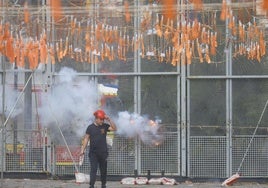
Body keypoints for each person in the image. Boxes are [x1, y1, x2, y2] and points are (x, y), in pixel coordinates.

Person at [80, 110, 117, 188]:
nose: (102, 121)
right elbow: (86, 139)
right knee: (93, 169)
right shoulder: (90, 127)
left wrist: (109, 119)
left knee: (103, 170)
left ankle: (103, 185)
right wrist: (82, 150)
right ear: (96, 119)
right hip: (93, 153)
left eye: (103, 119)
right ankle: (92, 185)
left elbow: (115, 128)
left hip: (103, 153)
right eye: (100, 119)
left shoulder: (105, 126)